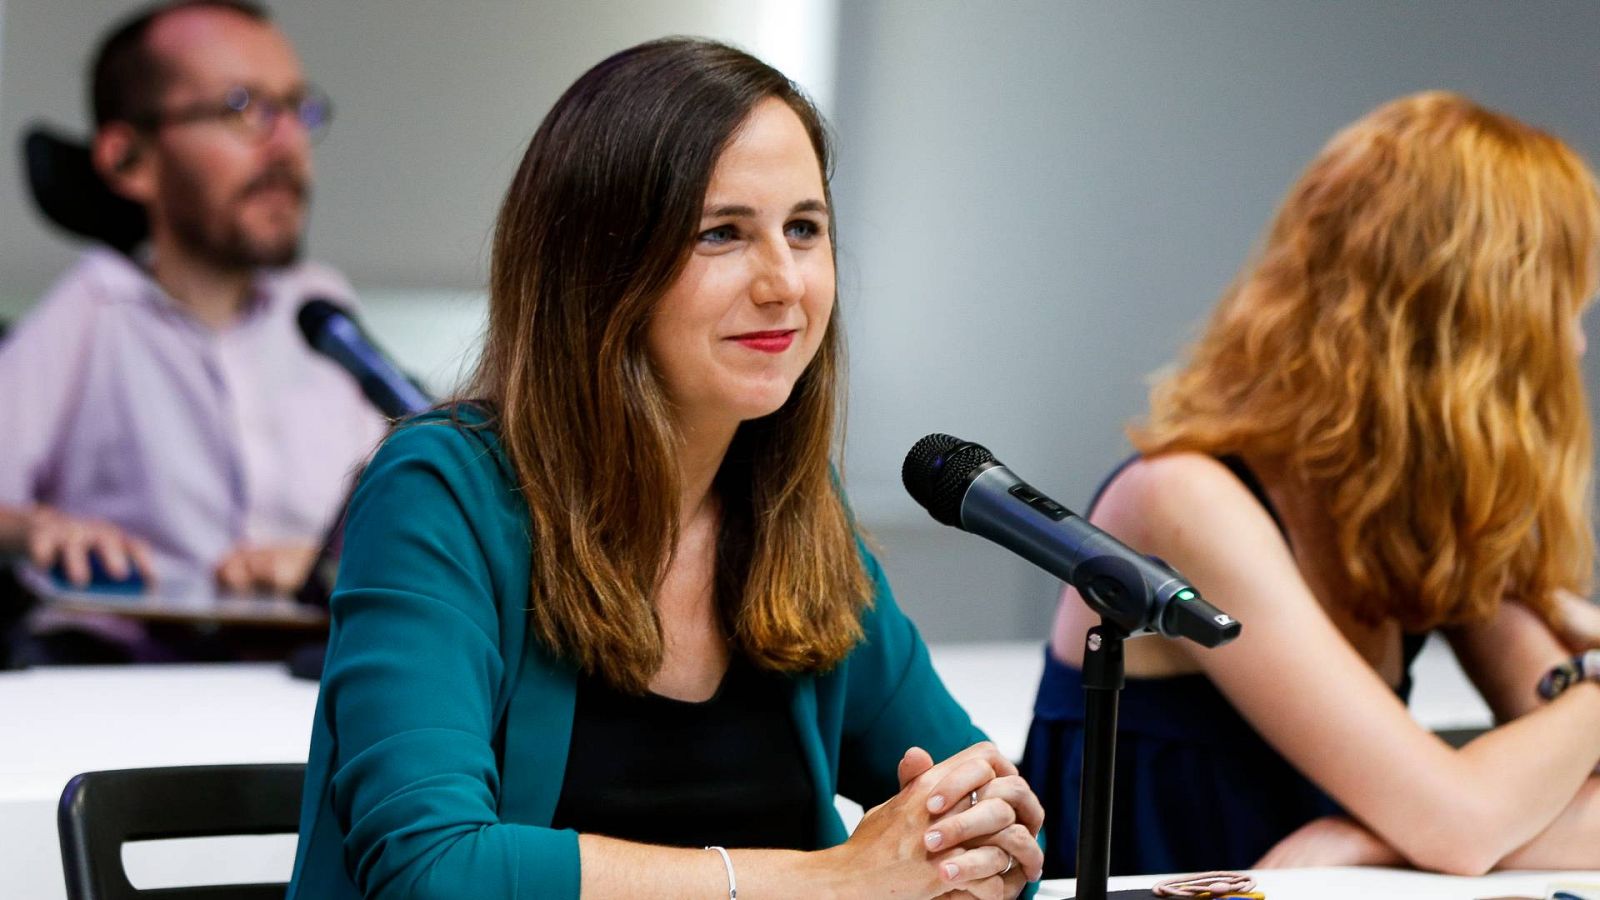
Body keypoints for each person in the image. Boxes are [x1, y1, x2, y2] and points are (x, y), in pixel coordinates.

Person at [287, 38, 1044, 900]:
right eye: (722, 233)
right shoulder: (442, 494)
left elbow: (969, 798)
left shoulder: (793, 507)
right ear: (601, 270)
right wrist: (829, 880)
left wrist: (983, 845)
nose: (784, 283)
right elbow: (433, 869)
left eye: (804, 229)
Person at [1024, 91, 1600, 878]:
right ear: (1468, 328)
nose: (1572, 347)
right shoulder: (1180, 503)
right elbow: (1462, 825)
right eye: (1560, 312)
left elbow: (1508, 818)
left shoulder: (1412, 509)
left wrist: (1370, 841)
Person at [0, 1, 387, 659]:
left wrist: (332, 563)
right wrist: (40, 529)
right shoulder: (95, 306)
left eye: (297, 109)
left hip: (316, 673)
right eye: (244, 108)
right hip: (133, 679)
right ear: (129, 160)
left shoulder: (322, 308)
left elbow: (413, 498)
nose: (287, 142)